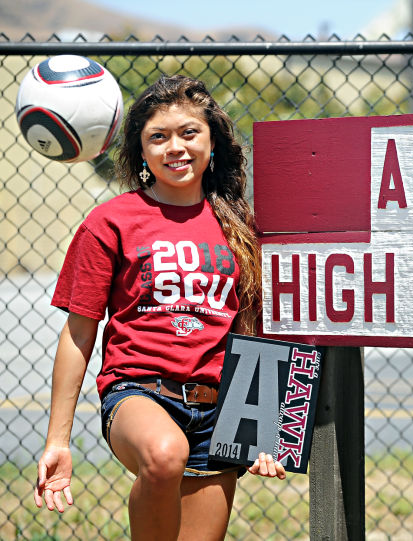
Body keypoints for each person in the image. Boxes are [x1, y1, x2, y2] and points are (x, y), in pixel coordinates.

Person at [33, 74, 286, 540]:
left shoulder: (241, 227)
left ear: (212, 141)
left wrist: (262, 424)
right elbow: (79, 333)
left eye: (189, 132)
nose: (176, 148)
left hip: (218, 407)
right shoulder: (110, 223)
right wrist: (58, 440)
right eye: (158, 137)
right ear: (141, 150)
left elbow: (254, 329)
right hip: (139, 392)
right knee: (165, 453)